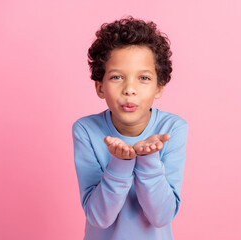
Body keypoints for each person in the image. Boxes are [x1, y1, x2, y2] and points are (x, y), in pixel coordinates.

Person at [72, 15, 188, 240]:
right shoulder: (86, 130)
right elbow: (99, 218)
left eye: (143, 77)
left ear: (159, 87)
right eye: (117, 77)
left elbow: (161, 217)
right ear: (100, 87)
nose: (130, 89)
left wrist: (148, 159)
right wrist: (120, 163)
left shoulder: (172, 128)